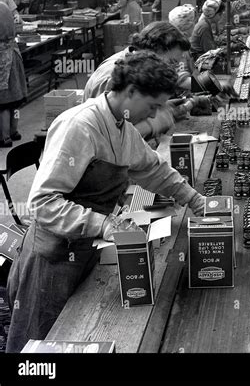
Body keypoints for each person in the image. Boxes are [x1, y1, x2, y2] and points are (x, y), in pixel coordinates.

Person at [6, 52, 206, 353]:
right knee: (39, 346)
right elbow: (42, 203)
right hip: (51, 258)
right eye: (152, 106)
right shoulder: (80, 126)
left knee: (75, 332)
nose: (153, 116)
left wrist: (194, 199)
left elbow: (152, 168)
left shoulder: (120, 125)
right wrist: (103, 224)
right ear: (130, 92)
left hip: (84, 247)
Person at [84, 21, 194, 139]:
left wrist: (159, 105)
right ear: (155, 49)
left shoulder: (138, 66)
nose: (171, 69)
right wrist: (157, 122)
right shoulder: (113, 76)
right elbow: (110, 137)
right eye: (171, 62)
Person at [0, 3, 27, 148]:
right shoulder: (4, 6)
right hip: (14, 54)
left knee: (3, 102)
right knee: (15, 100)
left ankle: (4, 137)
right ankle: (14, 131)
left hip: (3, 59)